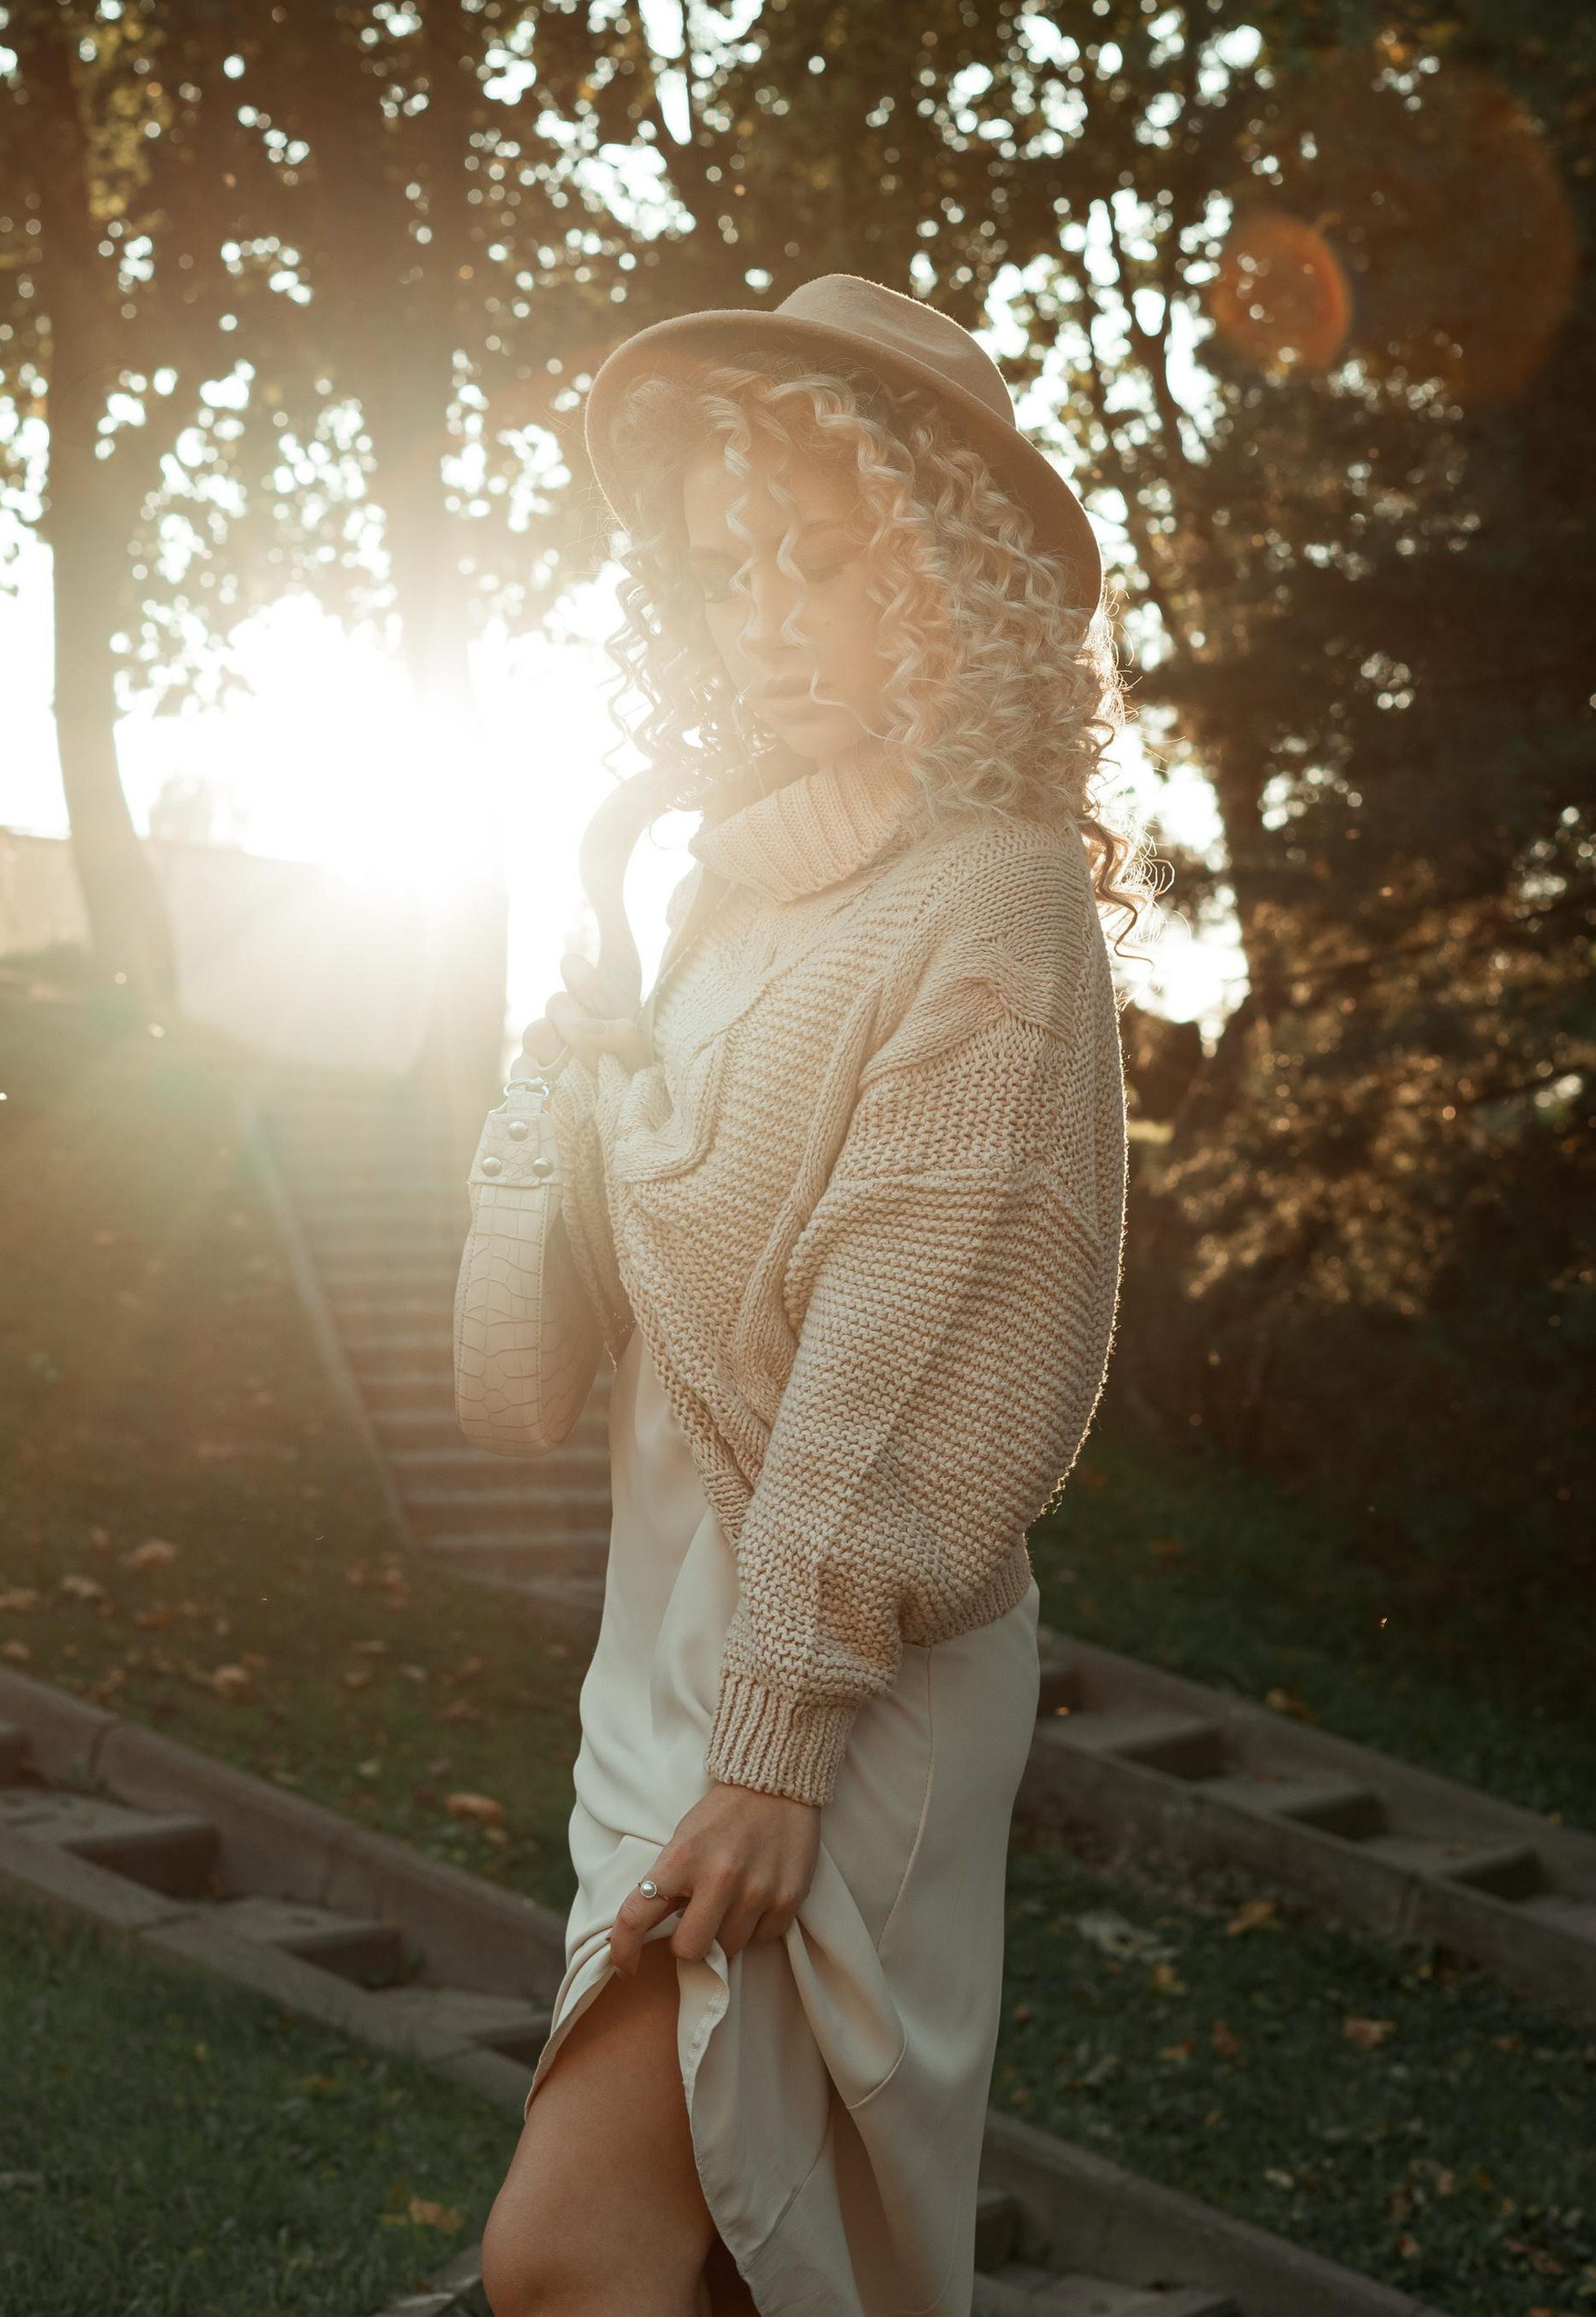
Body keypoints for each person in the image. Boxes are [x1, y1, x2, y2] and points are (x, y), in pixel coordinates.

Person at [479, 273, 1135, 2317]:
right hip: (656, 1658)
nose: (759, 615)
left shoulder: (993, 898)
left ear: (946, 576)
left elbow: (899, 1347)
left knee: (574, 2256)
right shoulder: (713, 906)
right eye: (722, 568)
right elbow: (519, 1379)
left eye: (821, 561)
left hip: (843, 1681)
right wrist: (552, 1086)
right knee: (733, 2273)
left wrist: (773, 1739)